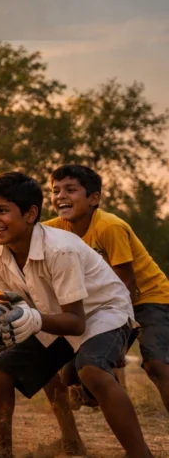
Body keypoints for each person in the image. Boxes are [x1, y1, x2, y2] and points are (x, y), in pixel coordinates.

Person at [0, 172, 152, 458]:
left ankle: (140, 454)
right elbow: (7, 308)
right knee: (0, 369)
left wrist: (32, 319)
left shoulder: (60, 249)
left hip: (102, 313)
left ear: (31, 213)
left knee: (91, 370)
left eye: (2, 211)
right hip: (51, 316)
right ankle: (1, 451)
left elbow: (77, 321)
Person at [45, 164, 169, 413]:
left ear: (94, 198)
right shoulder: (55, 228)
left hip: (149, 297)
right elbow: (24, 231)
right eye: (55, 190)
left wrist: (119, 338)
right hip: (108, 303)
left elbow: (126, 283)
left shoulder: (109, 227)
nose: (61, 196)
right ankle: (104, 395)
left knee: (156, 364)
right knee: (73, 375)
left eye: (70, 189)